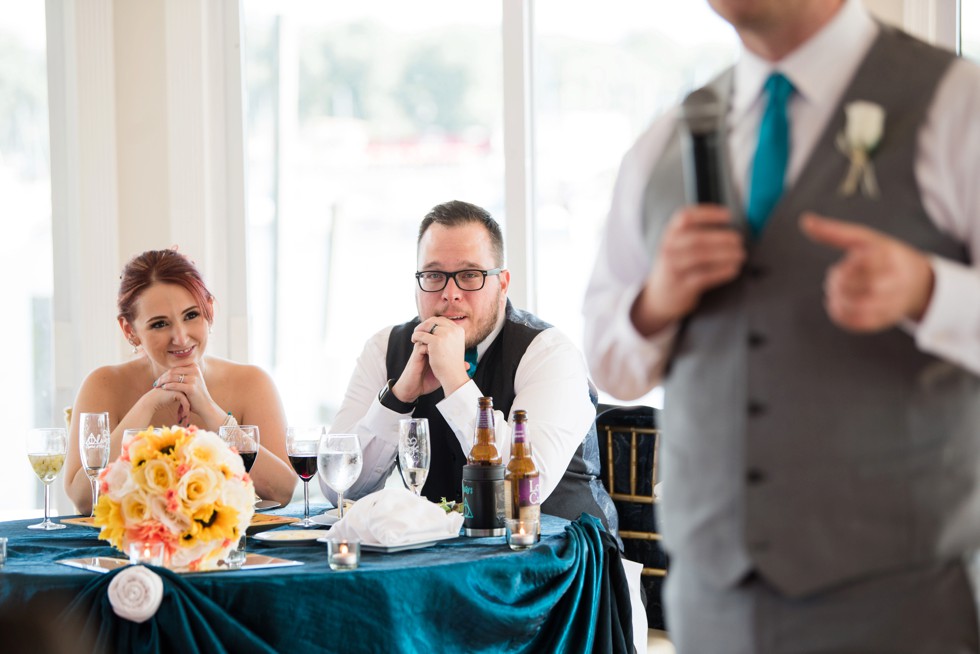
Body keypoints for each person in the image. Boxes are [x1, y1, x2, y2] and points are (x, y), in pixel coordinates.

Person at [583, 1, 980, 651]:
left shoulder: (958, 106)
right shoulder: (663, 144)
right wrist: (656, 301)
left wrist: (929, 291)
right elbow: (607, 360)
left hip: (904, 609)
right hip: (711, 608)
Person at [323, 200, 617, 530]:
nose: (450, 294)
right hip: (442, 557)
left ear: (502, 283)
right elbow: (338, 488)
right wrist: (399, 398)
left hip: (562, 559)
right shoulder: (384, 349)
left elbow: (522, 494)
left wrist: (455, 380)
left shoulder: (549, 352)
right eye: (434, 275)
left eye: (469, 275)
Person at [64, 249, 296, 512]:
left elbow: (283, 491)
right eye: (159, 324)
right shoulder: (102, 384)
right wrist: (146, 406)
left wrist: (211, 411)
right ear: (130, 330)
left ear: (208, 309)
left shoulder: (252, 382)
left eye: (191, 315)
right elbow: (84, 499)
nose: (181, 338)